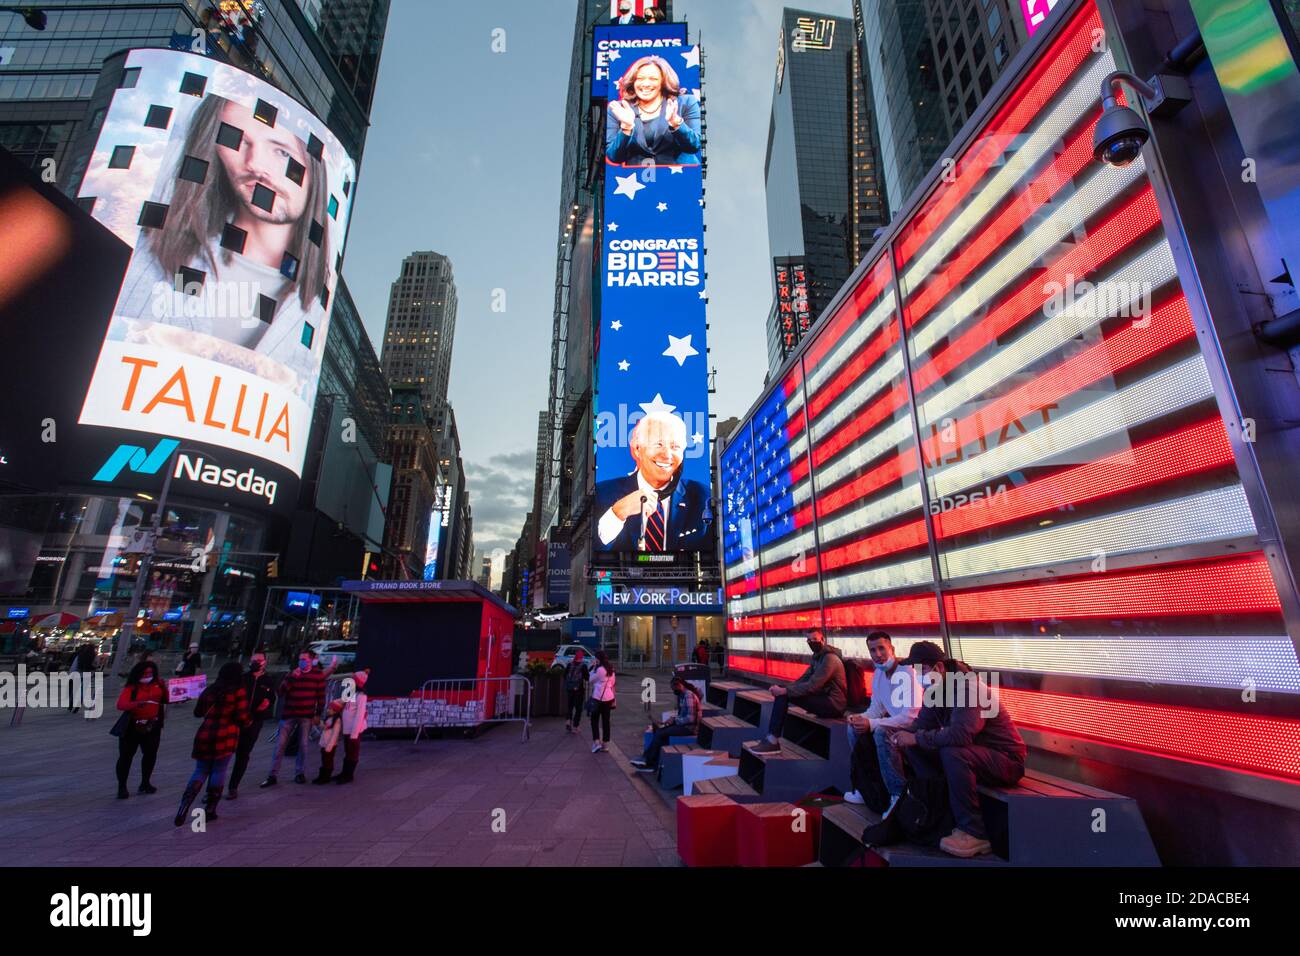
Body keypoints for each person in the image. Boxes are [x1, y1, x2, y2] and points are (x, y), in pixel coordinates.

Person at [111, 94, 333, 402]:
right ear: (213, 148)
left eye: (281, 152)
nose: (256, 165)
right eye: (237, 141)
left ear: (314, 173)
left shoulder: (316, 305)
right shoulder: (149, 256)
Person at [889, 641, 1027, 858]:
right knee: (915, 746)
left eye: (920, 669)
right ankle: (938, 811)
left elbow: (961, 735)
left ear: (939, 668)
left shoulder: (968, 688)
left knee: (952, 751)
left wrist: (916, 737)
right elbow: (920, 726)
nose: (916, 675)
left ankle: (974, 832)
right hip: (975, 755)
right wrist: (897, 734)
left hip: (1006, 760)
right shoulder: (935, 690)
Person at [594, 412, 712, 552]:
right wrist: (618, 513)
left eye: (675, 447)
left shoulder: (703, 497)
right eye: (658, 444)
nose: (667, 455)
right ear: (638, 449)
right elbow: (594, 548)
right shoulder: (603, 492)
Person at [844, 631, 921, 812]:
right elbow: (876, 709)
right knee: (853, 729)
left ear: (891, 648)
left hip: (915, 728)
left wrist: (871, 724)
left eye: (881, 648)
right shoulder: (879, 674)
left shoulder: (908, 672)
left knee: (880, 732)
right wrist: (861, 718)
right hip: (894, 725)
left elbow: (911, 716)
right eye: (872, 650)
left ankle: (897, 796)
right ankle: (866, 788)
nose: (877, 654)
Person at [748, 630, 846, 755]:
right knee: (783, 691)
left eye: (815, 639)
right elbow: (803, 679)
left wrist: (784, 691)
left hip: (834, 704)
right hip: (824, 699)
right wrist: (781, 687)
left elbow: (813, 686)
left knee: (785, 694)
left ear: (823, 640)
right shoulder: (817, 658)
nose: (812, 642)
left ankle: (772, 741)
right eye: (809, 640)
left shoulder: (829, 659)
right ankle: (771, 739)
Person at [175, 661, 249, 826]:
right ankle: (210, 808)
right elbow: (242, 717)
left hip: (206, 732)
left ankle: (184, 806)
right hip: (226, 734)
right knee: (219, 770)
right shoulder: (238, 691)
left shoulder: (210, 690)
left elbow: (198, 712)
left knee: (200, 770)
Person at [605, 55, 701, 166]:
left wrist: (676, 123)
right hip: (639, 179)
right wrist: (626, 127)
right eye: (640, 79)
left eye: (653, 79)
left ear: (663, 82)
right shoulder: (618, 109)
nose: (645, 84)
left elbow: (694, 146)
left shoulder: (686, 103)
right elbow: (614, 156)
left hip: (680, 178)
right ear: (633, 82)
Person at [261, 648, 326, 786]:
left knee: (303, 745)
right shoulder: (292, 674)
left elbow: (321, 696)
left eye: (304, 660)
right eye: (300, 659)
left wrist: (318, 714)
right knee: (280, 746)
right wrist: (291, 678)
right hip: (289, 714)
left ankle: (299, 773)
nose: (302, 662)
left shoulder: (317, 676)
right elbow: (281, 692)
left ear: (311, 661)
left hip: (306, 715)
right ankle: (273, 775)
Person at [114, 660, 166, 799]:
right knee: (126, 757)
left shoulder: (159, 685)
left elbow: (166, 699)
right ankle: (122, 786)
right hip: (133, 726)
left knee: (150, 754)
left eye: (150, 673)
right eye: (145, 673)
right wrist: (137, 704)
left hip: (152, 726)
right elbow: (121, 704)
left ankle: (145, 783)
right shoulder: (132, 688)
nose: (148, 675)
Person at [227, 650, 275, 799]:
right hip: (236, 721)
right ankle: (214, 788)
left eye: (259, 660)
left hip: (254, 721)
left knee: (243, 755)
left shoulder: (268, 680)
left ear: (264, 662)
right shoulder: (242, 679)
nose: (256, 662)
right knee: (225, 754)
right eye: (253, 659)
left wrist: (267, 703)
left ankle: (233, 786)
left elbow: (272, 697)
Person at [630, 675, 700, 772]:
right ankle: (650, 760)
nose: (673, 691)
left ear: (679, 685)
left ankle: (649, 761)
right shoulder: (683, 695)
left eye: (674, 689)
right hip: (684, 725)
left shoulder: (688, 695)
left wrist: (675, 720)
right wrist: (673, 719)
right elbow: (684, 716)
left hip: (689, 728)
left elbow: (691, 718)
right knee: (659, 730)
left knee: (661, 733)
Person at [317, 668, 368, 784]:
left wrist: (354, 733)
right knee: (347, 750)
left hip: (354, 730)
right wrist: (332, 707)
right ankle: (344, 772)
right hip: (346, 729)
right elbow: (340, 702)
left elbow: (359, 715)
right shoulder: (349, 693)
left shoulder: (361, 696)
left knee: (352, 751)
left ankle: (348, 774)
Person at [589, 650, 617, 753]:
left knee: (594, 720)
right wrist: (614, 699)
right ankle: (605, 744)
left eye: (595, 658)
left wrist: (592, 668)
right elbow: (613, 684)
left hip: (598, 698)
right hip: (609, 698)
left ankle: (596, 742)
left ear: (599, 659)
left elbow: (590, 679)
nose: (595, 660)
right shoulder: (611, 669)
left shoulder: (600, 669)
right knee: (606, 722)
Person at [563, 650, 589, 734]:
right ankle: (575, 726)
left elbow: (564, 675)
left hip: (569, 689)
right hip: (579, 690)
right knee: (578, 708)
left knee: (569, 706)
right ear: (581, 657)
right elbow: (587, 678)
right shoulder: (583, 666)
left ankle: (568, 721)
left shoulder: (570, 664)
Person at [68, 643, 95, 713]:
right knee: (82, 692)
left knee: (74, 690)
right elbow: (93, 666)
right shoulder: (92, 656)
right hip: (86, 675)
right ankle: (77, 706)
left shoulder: (80, 655)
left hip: (77, 674)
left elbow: (74, 665)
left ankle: (70, 705)